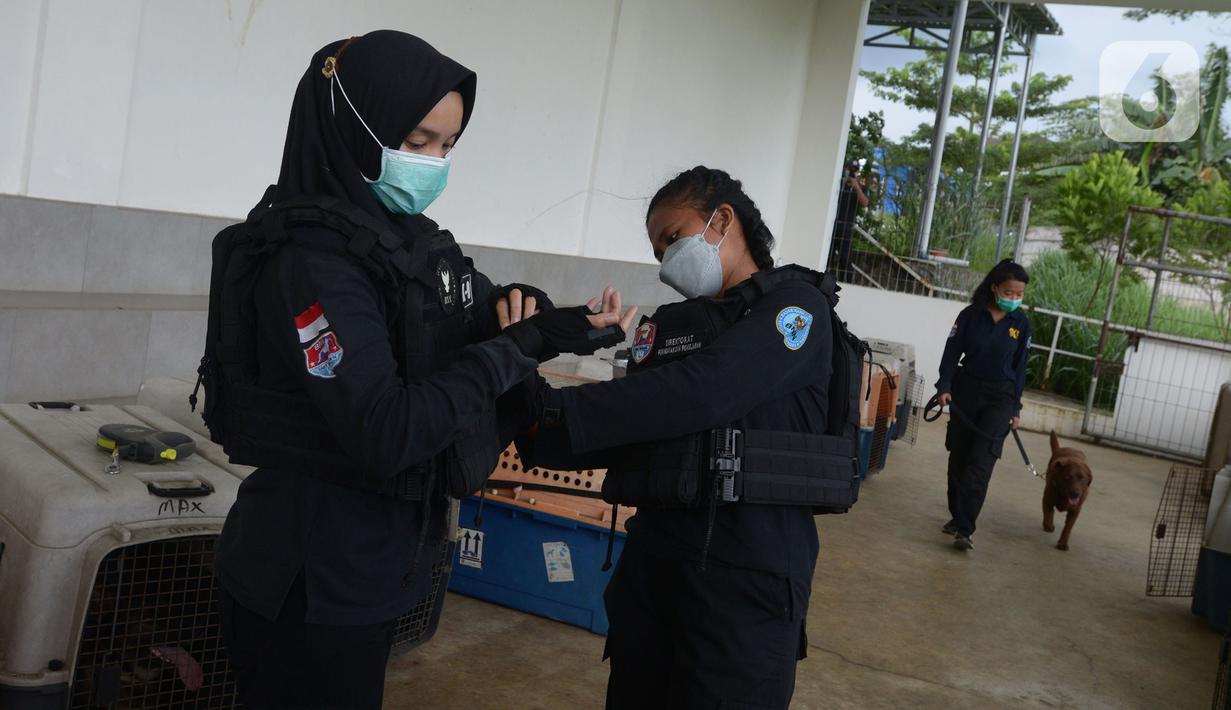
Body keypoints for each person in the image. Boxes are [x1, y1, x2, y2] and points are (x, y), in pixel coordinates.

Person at [200, 31, 632, 708]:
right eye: (418, 140)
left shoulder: (409, 245)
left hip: (374, 569)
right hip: (309, 582)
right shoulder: (310, 263)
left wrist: (540, 320)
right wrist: (516, 346)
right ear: (355, 125)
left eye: (448, 145)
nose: (433, 162)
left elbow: (476, 310)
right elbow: (386, 428)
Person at [519, 166, 866, 709]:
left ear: (722, 219)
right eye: (658, 250)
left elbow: (703, 391)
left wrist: (562, 411)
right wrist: (526, 384)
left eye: (672, 238)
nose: (665, 262)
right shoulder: (674, 327)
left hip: (747, 576)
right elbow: (634, 422)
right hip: (657, 565)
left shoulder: (796, 309)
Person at [935, 258, 1033, 551]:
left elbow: (1020, 368)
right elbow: (952, 352)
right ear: (995, 287)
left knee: (981, 462)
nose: (1014, 298)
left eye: (1019, 294)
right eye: (1009, 292)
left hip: (1000, 398)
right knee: (960, 458)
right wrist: (945, 386)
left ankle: (965, 529)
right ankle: (956, 515)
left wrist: (1015, 408)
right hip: (966, 391)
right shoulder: (969, 315)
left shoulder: (1021, 324)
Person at [827, 159, 868, 281]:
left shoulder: (860, 187)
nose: (851, 173)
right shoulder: (839, 183)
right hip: (833, 225)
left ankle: (848, 282)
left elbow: (864, 203)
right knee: (828, 257)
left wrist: (856, 187)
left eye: (854, 171)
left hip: (846, 226)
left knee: (845, 258)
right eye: (849, 169)